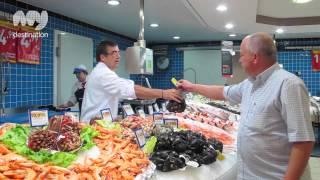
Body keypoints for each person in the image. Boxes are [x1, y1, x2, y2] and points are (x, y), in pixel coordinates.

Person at [177, 32, 315, 180]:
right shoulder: (250, 84)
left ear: (255, 57)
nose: (240, 60)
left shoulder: (288, 84)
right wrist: (192, 87)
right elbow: (222, 92)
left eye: (242, 55)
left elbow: (303, 142)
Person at [81, 40, 181, 123]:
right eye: (113, 53)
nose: (118, 56)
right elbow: (131, 89)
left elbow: (120, 91)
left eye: (118, 52)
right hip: (93, 126)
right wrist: (163, 93)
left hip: (102, 124)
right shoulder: (103, 74)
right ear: (102, 57)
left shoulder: (104, 72)